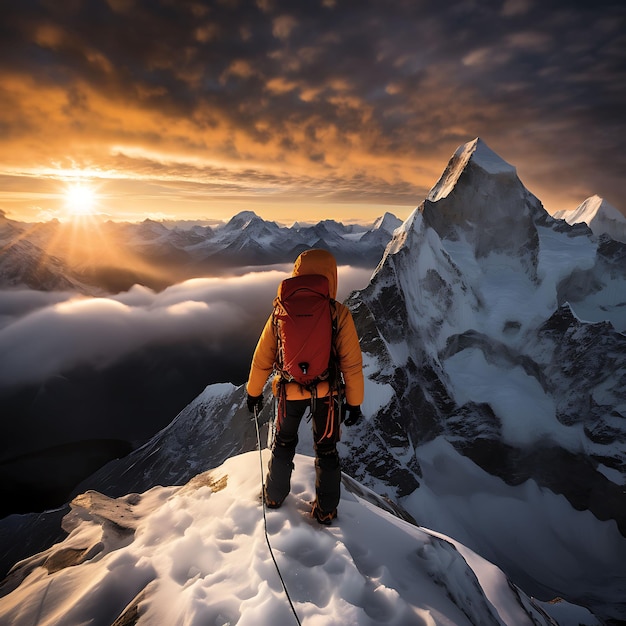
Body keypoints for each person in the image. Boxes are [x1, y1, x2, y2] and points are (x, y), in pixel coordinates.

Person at [246, 248, 364, 524]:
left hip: (288, 392)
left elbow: (262, 358)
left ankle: (274, 496)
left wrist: (253, 393)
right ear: (331, 277)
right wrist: (354, 402)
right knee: (326, 450)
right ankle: (326, 510)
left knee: (283, 443)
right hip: (328, 394)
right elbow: (352, 365)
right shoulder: (338, 313)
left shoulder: (280, 310)